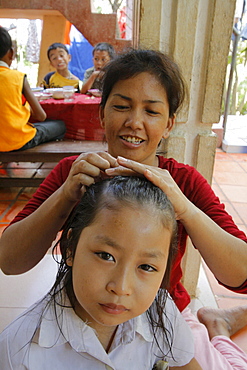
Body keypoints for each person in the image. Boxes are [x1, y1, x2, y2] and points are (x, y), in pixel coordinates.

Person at [0, 48, 247, 369]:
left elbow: (240, 276)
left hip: (164, 312)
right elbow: (9, 260)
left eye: (152, 112)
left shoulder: (182, 181)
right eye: (121, 106)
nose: (134, 122)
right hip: (91, 303)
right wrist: (64, 196)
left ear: (169, 123)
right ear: (102, 114)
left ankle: (219, 326)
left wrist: (184, 208)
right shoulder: (72, 173)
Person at [0, 176, 201, 369]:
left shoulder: (162, 310)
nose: (121, 288)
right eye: (106, 256)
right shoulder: (19, 352)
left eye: (146, 267)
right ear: (70, 247)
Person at [0, 28, 66, 152]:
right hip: (18, 141)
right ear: (11, 53)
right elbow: (41, 116)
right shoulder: (17, 77)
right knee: (59, 125)